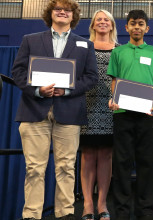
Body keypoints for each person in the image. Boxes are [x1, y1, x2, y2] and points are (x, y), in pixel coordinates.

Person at [11, 0, 98, 219]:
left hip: (69, 112)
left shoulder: (84, 45)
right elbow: (18, 72)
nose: (62, 12)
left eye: (67, 10)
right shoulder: (30, 40)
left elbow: (91, 77)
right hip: (34, 110)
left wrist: (67, 91)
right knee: (34, 169)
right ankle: (31, 215)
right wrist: (38, 90)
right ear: (50, 14)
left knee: (66, 168)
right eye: (58, 9)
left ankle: (65, 214)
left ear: (73, 16)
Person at [107, 10, 153, 220]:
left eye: (141, 24)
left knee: (146, 163)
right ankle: (121, 212)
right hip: (122, 113)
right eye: (133, 24)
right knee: (121, 164)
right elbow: (114, 80)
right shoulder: (118, 52)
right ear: (126, 27)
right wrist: (114, 98)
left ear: (147, 28)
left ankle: (145, 211)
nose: (137, 27)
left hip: (147, 114)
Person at [80, 9, 119, 220]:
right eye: (99, 20)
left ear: (112, 25)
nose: (103, 22)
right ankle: (87, 205)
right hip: (86, 106)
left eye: (107, 20)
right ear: (93, 25)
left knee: (106, 154)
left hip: (112, 108)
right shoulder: (82, 47)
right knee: (87, 154)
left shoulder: (121, 50)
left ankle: (102, 204)